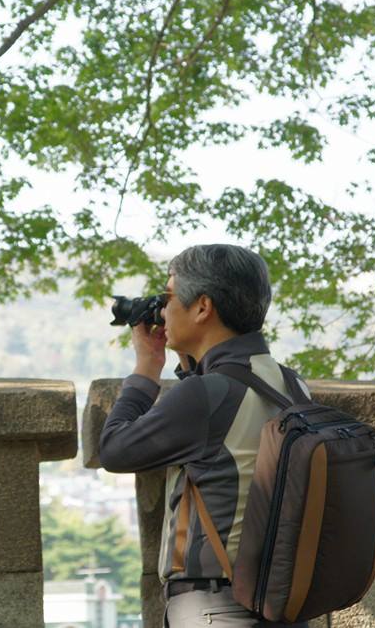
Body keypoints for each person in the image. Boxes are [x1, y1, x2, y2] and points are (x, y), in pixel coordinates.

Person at [98, 244, 312, 628]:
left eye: (167, 298)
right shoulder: (291, 384)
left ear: (202, 307)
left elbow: (115, 450)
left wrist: (147, 365)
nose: (162, 311)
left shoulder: (204, 395)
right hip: (283, 602)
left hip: (217, 608)